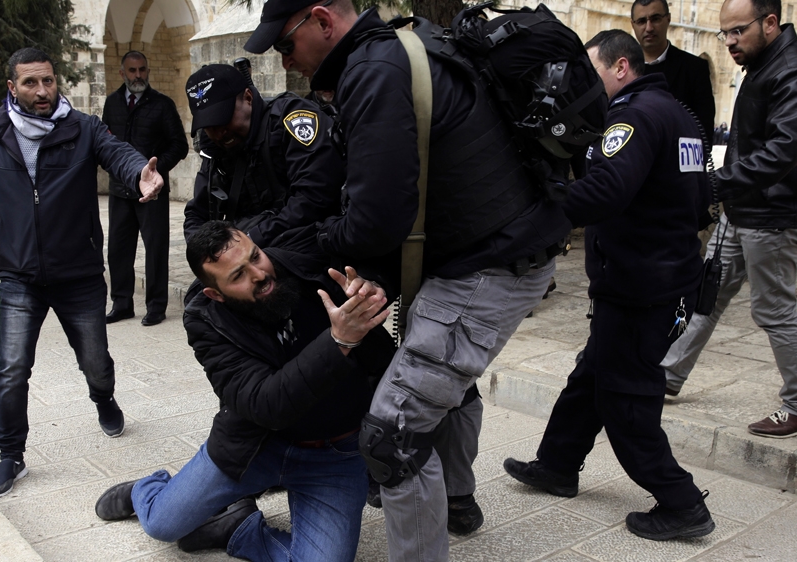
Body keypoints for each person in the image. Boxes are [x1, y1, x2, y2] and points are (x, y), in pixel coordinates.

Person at [245, 1, 571, 558]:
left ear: (322, 20)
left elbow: (374, 220)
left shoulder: (372, 71)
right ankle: (457, 498)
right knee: (443, 388)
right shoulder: (409, 43)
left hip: (486, 267)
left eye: (285, 44)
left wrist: (306, 242)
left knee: (391, 437)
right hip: (496, 252)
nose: (286, 61)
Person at [0, 47, 164, 498]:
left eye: (48, 80)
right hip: (19, 277)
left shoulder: (83, 128)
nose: (42, 90)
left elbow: (118, 154)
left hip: (79, 273)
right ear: (12, 87)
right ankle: (11, 455)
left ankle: (103, 398)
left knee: (95, 362)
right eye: (30, 82)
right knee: (12, 368)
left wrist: (139, 175)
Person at [504, 29, 715, 541]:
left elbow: (605, 190)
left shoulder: (633, 116)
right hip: (660, 278)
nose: (582, 83)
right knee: (591, 377)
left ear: (621, 67)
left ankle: (682, 502)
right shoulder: (677, 114)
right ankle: (557, 465)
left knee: (626, 397)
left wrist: (538, 209)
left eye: (590, 71)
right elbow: (700, 197)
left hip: (642, 288)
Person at [94, 221, 395, 560]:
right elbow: (267, 404)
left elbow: (387, 246)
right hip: (255, 447)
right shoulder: (206, 320)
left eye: (255, 256)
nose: (260, 274)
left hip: (334, 455)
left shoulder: (301, 262)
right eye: (238, 275)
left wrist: (373, 286)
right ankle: (146, 489)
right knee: (160, 524)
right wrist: (339, 340)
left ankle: (236, 527)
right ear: (216, 294)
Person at [662, 0, 797, 438]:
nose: (729, 41)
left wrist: (715, 183)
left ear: (770, 22)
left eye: (739, 31)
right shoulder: (762, 63)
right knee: (706, 294)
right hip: (741, 210)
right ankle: (667, 374)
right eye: (725, 33)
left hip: (772, 215)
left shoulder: (789, 70)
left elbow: (783, 152)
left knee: (775, 309)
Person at [182, 64, 342, 247]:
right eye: (209, 126)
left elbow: (314, 198)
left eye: (223, 120)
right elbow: (197, 212)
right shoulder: (215, 149)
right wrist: (202, 248)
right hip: (252, 243)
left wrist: (250, 240)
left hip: (308, 240)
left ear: (248, 98)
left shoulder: (290, 120)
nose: (219, 133)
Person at [102, 51, 189, 326]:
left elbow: (179, 145)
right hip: (120, 191)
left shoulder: (163, 105)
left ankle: (156, 306)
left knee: (155, 249)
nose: (138, 75)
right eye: (132, 70)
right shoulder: (112, 103)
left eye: (142, 69)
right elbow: (104, 143)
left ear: (148, 71)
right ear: (122, 73)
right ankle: (121, 304)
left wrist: (155, 170)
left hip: (153, 194)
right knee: (118, 249)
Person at [631, 0, 716, 142]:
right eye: (641, 21)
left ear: (668, 19)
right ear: (633, 24)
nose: (649, 28)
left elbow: (704, 130)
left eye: (655, 19)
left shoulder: (694, 68)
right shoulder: (622, 68)